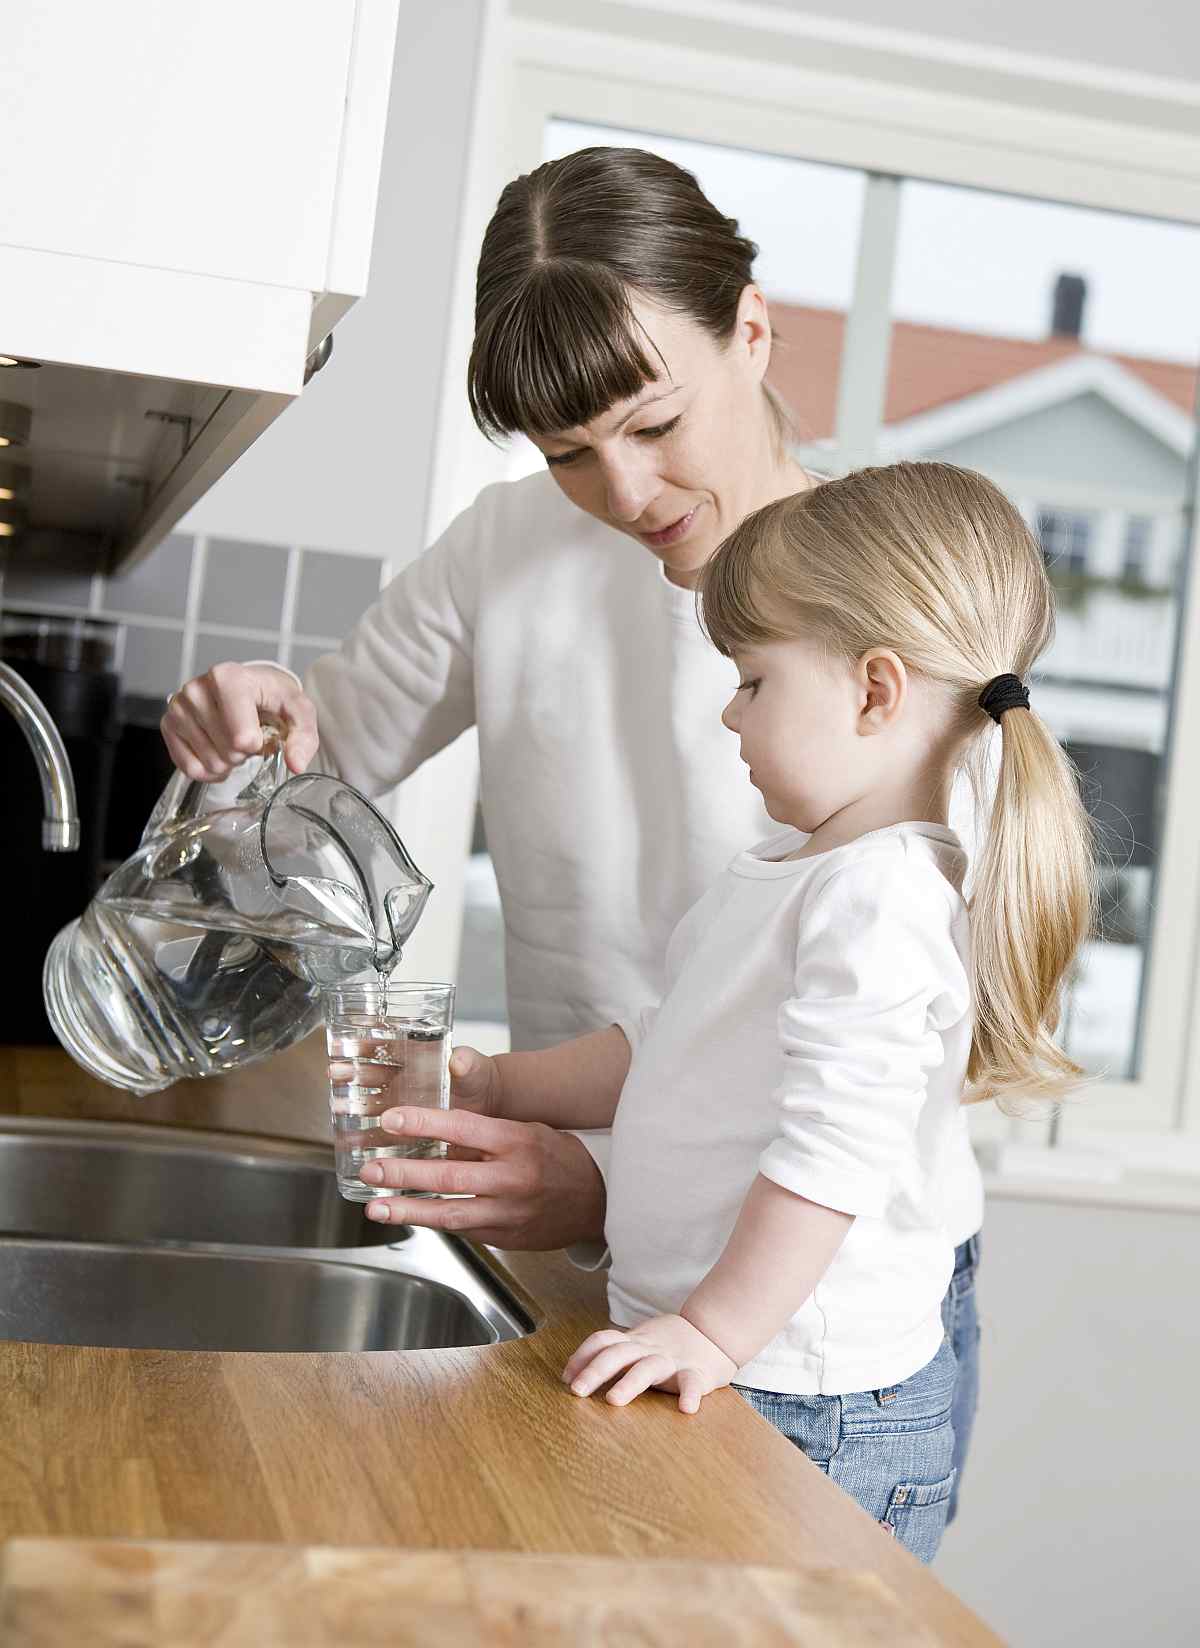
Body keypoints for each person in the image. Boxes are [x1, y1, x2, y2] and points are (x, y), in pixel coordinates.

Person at [160, 148, 987, 1518]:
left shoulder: (898, 608)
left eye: (654, 421)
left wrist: (603, 1179)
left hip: (819, 1310)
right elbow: (277, 835)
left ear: (756, 331)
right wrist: (246, 735)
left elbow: (893, 1061)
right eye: (566, 453)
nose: (624, 490)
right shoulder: (508, 548)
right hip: (607, 1256)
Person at [377, 462, 1096, 1563]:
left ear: (874, 689)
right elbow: (670, 1050)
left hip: (807, 1404)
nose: (730, 710)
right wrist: (496, 1083)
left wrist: (712, 1328)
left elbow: (834, 1148)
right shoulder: (800, 869)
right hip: (734, 1362)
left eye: (755, 680)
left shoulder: (879, 895)